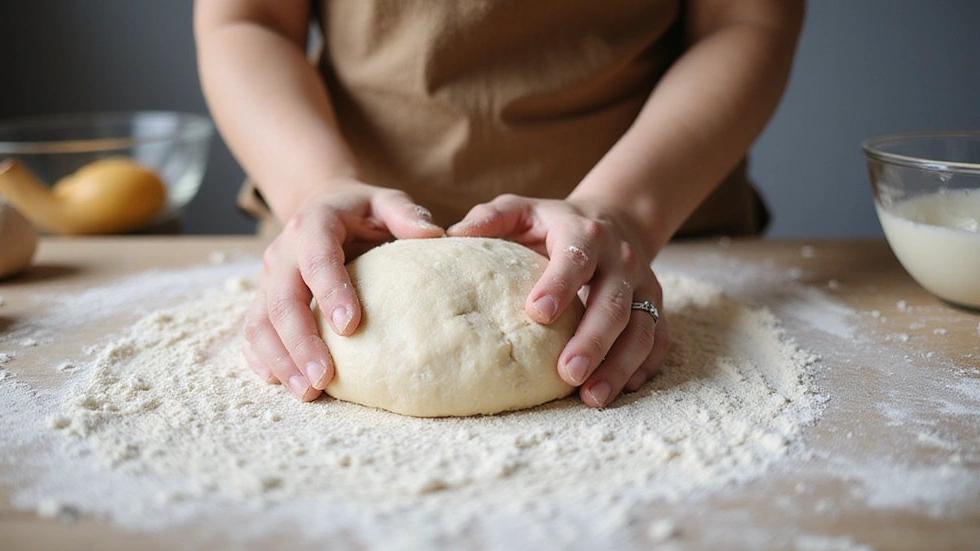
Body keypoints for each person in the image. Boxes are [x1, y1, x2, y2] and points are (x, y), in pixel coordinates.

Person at [194, 0, 804, 410]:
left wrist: (628, 213)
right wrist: (313, 187)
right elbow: (249, 19)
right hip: (337, 239)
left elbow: (744, 20)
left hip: (657, 224)